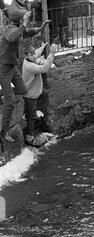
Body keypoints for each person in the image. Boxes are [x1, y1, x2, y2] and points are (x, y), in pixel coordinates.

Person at [0, 8, 50, 143]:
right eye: (25, 18)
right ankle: (3, 132)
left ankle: (4, 93)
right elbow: (12, 37)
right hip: (3, 67)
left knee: (22, 90)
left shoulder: (18, 28)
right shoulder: (10, 29)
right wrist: (24, 24)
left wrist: (40, 28)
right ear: (20, 19)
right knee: (10, 102)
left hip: (12, 65)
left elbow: (26, 33)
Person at [22, 43, 56, 147]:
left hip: (34, 93)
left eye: (33, 54)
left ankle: (39, 118)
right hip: (30, 95)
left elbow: (36, 53)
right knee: (31, 116)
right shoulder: (30, 66)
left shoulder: (30, 59)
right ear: (26, 56)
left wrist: (42, 47)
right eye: (31, 54)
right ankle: (29, 137)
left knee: (44, 96)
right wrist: (51, 53)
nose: (33, 55)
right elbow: (44, 68)